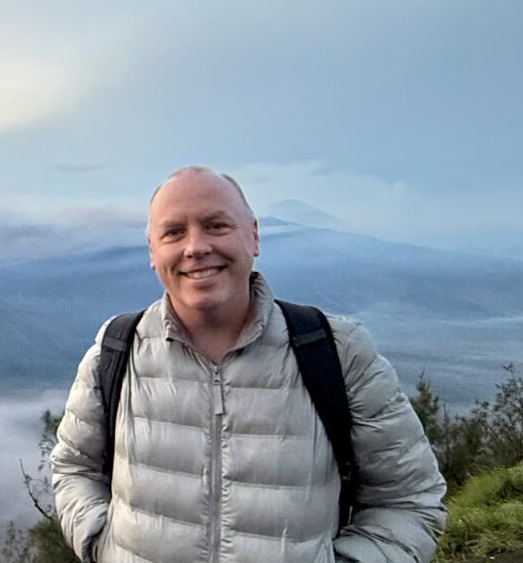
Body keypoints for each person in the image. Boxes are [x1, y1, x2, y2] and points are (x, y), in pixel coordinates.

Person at [50, 167, 446, 562]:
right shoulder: (115, 351)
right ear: (153, 252)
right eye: (174, 232)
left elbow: (409, 499)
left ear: (253, 236)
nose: (196, 247)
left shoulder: (336, 352)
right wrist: (101, 547)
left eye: (216, 225)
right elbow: (73, 467)